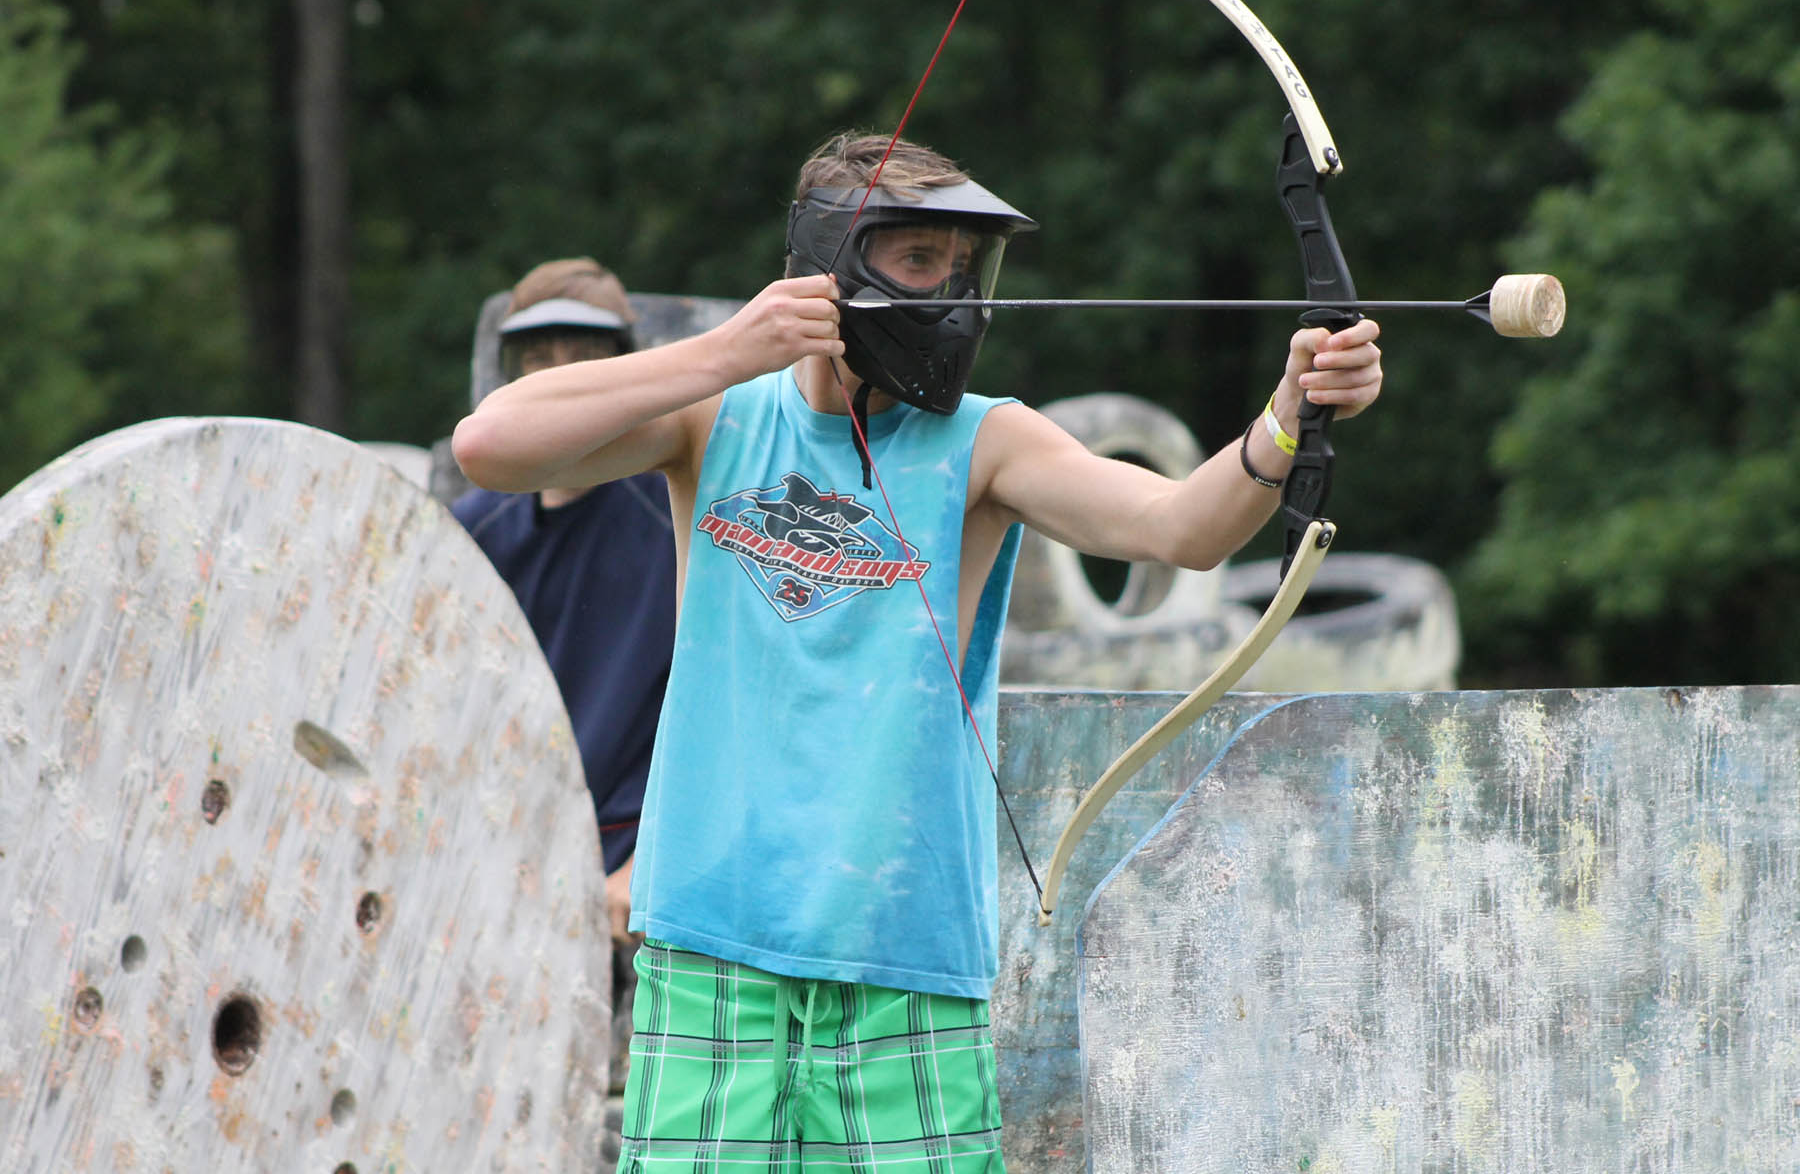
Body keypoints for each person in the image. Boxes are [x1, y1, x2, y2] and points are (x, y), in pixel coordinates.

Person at [451, 133, 1383, 1171]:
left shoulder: (990, 440)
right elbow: (490, 446)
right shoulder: (714, 415)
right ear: (827, 261)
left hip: (903, 951)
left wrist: (1288, 418)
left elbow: (1180, 530)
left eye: (962, 265)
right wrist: (730, 346)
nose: (950, 293)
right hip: (710, 934)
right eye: (917, 259)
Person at [449, 257, 674, 1094]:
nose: (557, 377)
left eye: (582, 354)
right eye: (536, 357)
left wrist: (648, 857)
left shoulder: (678, 520)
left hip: (635, 871)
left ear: (624, 366)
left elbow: (725, 710)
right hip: (498, 861)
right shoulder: (470, 531)